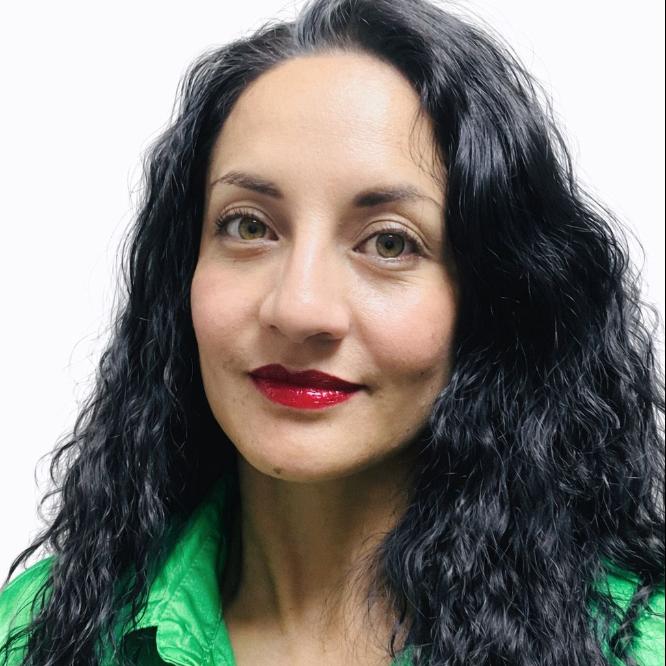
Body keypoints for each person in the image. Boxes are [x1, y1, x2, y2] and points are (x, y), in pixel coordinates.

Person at [1, 0, 664, 664]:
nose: (299, 309)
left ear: (495, 299)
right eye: (249, 226)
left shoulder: (636, 646)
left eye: (389, 242)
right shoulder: (37, 632)